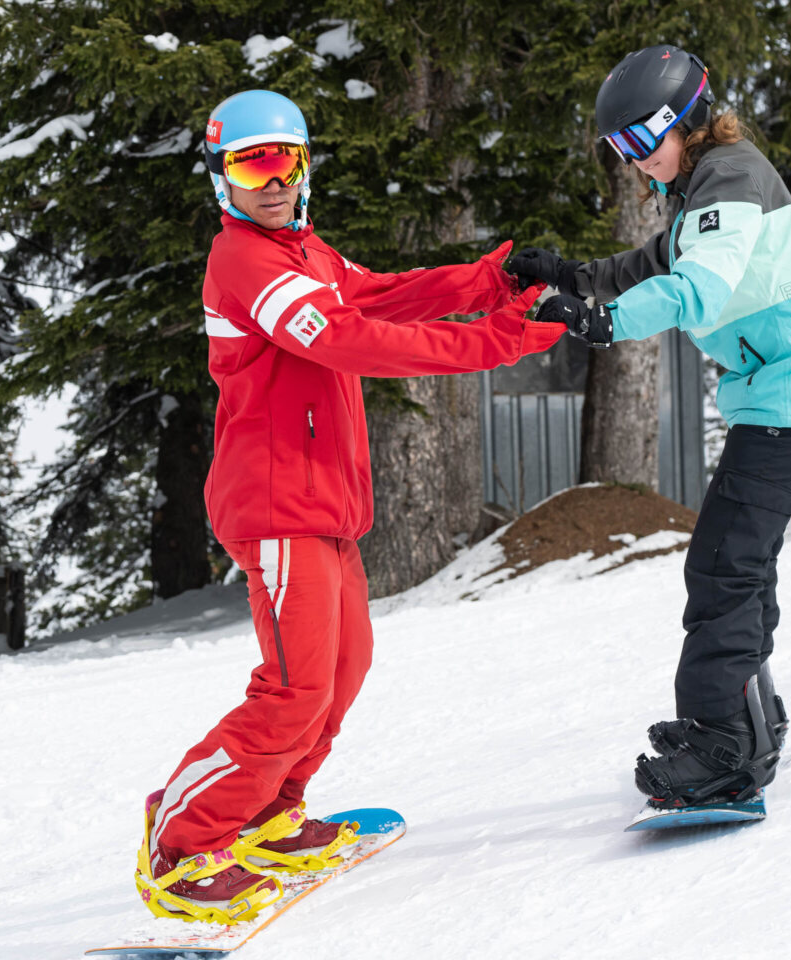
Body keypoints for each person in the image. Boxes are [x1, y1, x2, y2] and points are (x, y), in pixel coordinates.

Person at [135, 89, 562, 924]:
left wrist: (490, 279)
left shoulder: (307, 253)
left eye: (283, 159)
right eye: (249, 163)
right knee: (293, 687)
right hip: (276, 503)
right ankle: (183, 842)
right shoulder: (245, 262)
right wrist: (496, 337)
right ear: (221, 177)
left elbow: (381, 297)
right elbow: (347, 340)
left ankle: (269, 813)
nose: (270, 180)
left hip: (325, 504)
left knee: (339, 675)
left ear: (303, 164)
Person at [507, 45, 791, 811]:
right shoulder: (706, 187)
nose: (636, 163)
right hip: (784, 391)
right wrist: (570, 278)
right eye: (620, 150)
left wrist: (600, 322)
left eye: (642, 142)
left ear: (687, 122)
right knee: (738, 561)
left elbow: (694, 289)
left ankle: (723, 746)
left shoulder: (730, 179)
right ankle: (747, 718)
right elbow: (652, 263)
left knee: (722, 565)